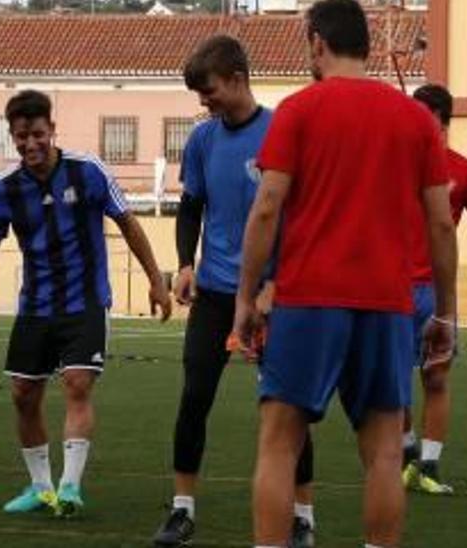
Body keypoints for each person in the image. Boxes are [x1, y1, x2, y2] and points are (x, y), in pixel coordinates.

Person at [230, 1, 458, 546]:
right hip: (387, 302)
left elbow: (266, 207)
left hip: (309, 298)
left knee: (280, 442)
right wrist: (446, 311)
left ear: (316, 43)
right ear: (370, 46)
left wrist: (245, 297)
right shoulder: (414, 119)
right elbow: (442, 225)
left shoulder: (298, 110)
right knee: (382, 449)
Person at [0, 89, 172, 517]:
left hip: (85, 301)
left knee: (77, 382)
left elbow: (127, 222)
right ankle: (41, 488)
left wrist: (154, 280)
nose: (30, 144)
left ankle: (69, 488)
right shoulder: (4, 190)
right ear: (12, 138)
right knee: (22, 393)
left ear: (52, 130)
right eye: (20, 136)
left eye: (37, 133)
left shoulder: (87, 171)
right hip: (35, 305)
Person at [152, 35, 316, 548]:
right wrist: (183, 265)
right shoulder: (202, 140)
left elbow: (299, 216)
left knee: (287, 407)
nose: (204, 102)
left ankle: (303, 516)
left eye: (210, 90)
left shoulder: (281, 131)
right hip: (218, 294)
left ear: (239, 79)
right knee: (194, 397)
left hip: (276, 296)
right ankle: (182, 510)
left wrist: (274, 284)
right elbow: (192, 207)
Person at [401, 83, 467, 495]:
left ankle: (429, 466)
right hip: (393, 288)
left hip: (437, 292)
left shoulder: (466, 170)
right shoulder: (396, 165)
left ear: (440, 118)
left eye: (418, 112)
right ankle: (405, 459)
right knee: (393, 381)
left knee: (436, 379)